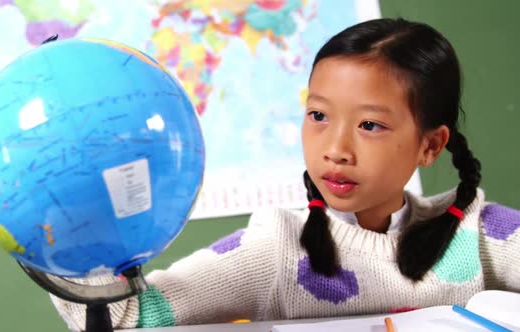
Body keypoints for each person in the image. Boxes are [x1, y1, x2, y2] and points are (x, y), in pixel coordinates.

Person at [51, 17, 520, 330]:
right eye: (318, 116)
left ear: (430, 145)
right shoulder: (276, 249)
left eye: (370, 125)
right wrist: (51, 218)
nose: (335, 150)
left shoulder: (479, 235)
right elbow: (132, 317)